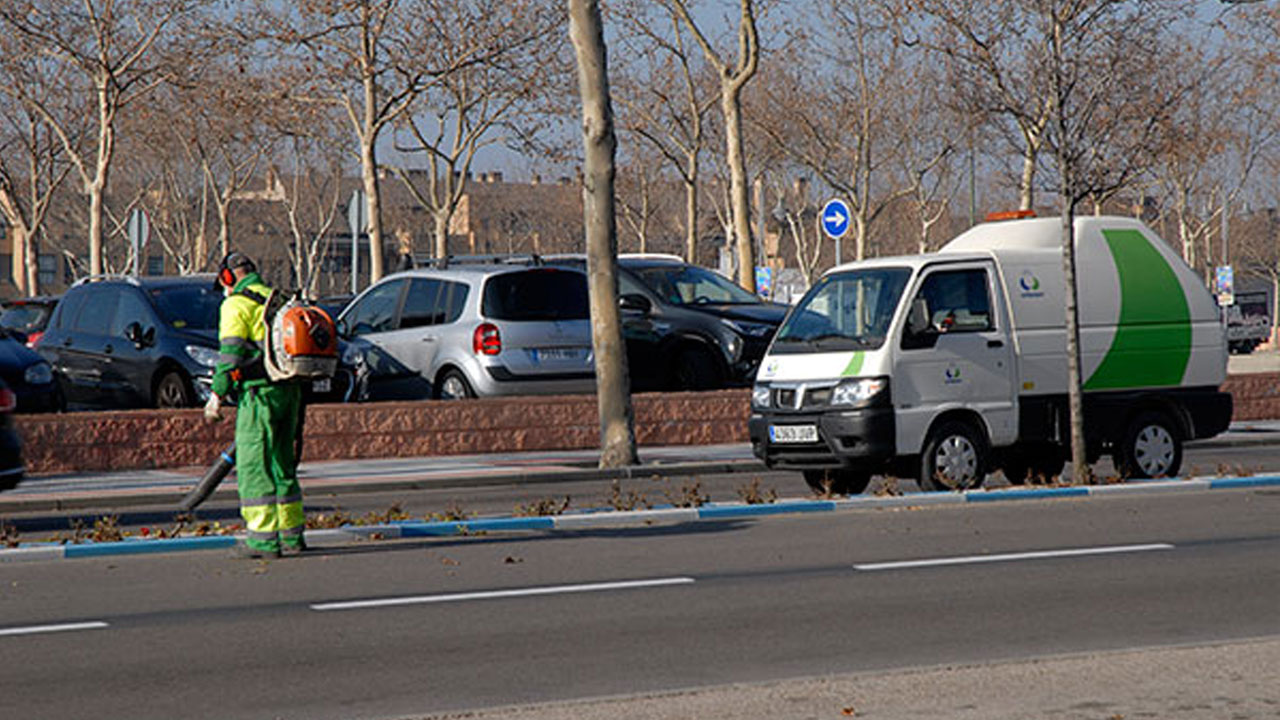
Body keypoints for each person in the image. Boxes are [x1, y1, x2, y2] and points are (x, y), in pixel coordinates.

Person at [205, 252, 306, 559]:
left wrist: (216, 396)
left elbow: (230, 356)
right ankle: (292, 537)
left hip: (258, 396)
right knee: (283, 464)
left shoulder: (236, 304)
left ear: (227, 278)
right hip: (289, 392)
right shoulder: (280, 299)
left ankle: (263, 541)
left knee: (253, 467)